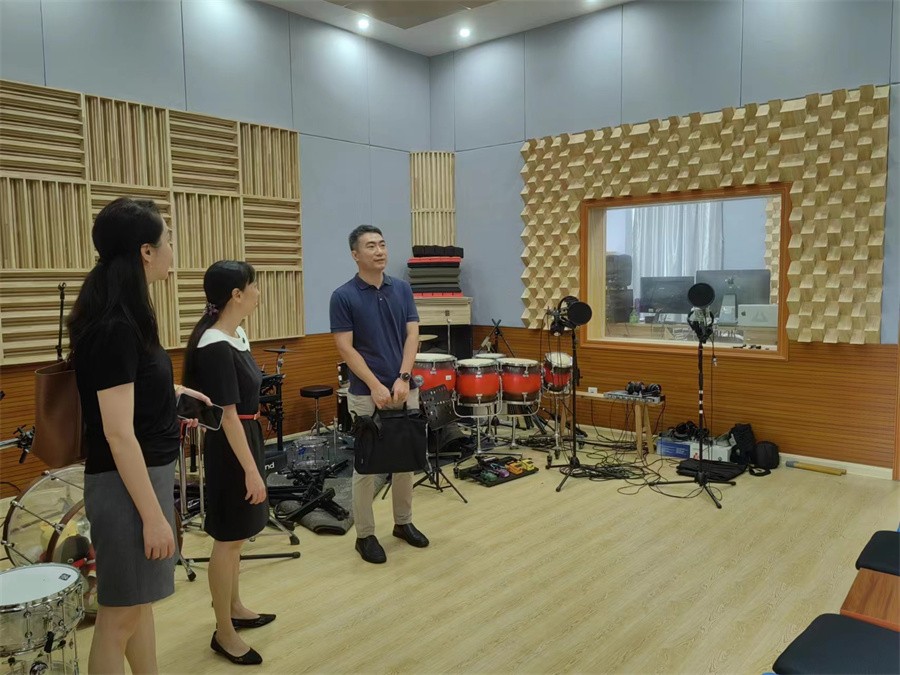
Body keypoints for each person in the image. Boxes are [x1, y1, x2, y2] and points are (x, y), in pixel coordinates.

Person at [68, 197, 210, 675]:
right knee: (119, 618)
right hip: (126, 488)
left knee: (138, 606)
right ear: (146, 251)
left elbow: (125, 389)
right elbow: (117, 433)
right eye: (168, 241)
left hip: (140, 480)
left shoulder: (126, 316)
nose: (172, 250)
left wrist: (173, 390)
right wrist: (153, 517)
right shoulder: (114, 327)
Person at [183, 260, 271, 666]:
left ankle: (234, 606)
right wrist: (251, 470)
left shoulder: (236, 335)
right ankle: (223, 631)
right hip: (230, 446)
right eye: (253, 286)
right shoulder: (214, 344)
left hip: (246, 437)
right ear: (236, 294)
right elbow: (229, 415)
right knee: (228, 538)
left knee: (239, 535)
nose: (257, 292)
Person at [330, 225, 429, 564]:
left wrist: (403, 377)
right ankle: (365, 535)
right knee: (367, 466)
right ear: (355, 254)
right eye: (370, 246)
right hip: (365, 392)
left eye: (382, 244)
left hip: (403, 388)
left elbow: (412, 335)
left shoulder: (402, 288)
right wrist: (374, 384)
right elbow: (346, 347)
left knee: (405, 461)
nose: (379, 251)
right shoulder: (343, 296)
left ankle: (403, 522)